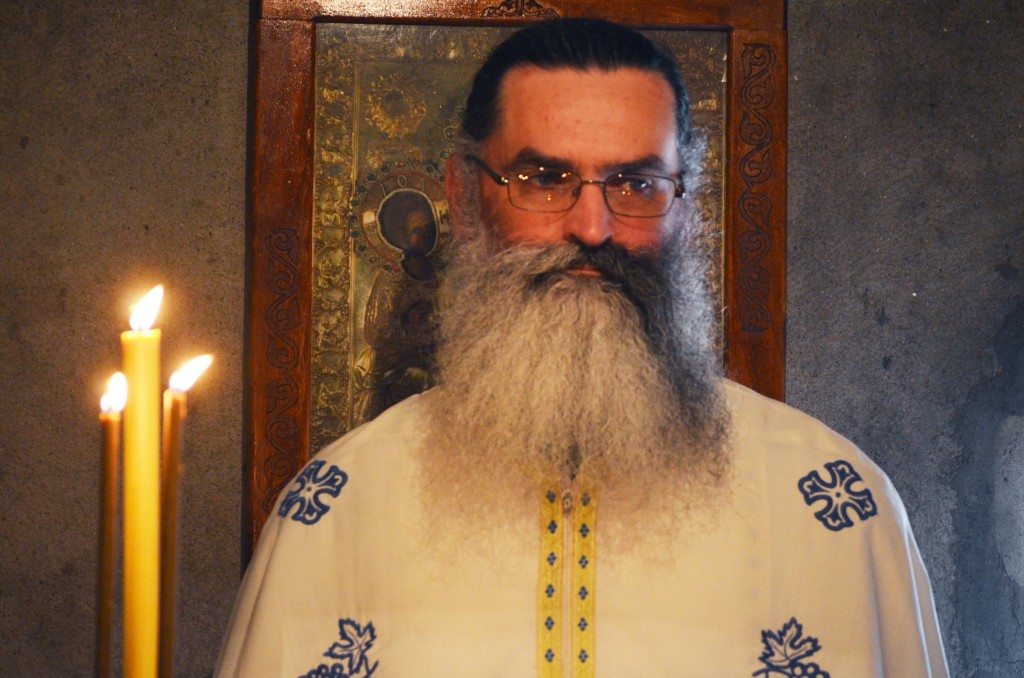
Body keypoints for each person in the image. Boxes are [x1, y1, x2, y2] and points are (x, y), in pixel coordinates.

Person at [217, 19, 948, 677]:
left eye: (637, 183)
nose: (594, 228)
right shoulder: (338, 508)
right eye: (543, 178)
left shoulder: (835, 509)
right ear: (465, 199)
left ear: (685, 206)